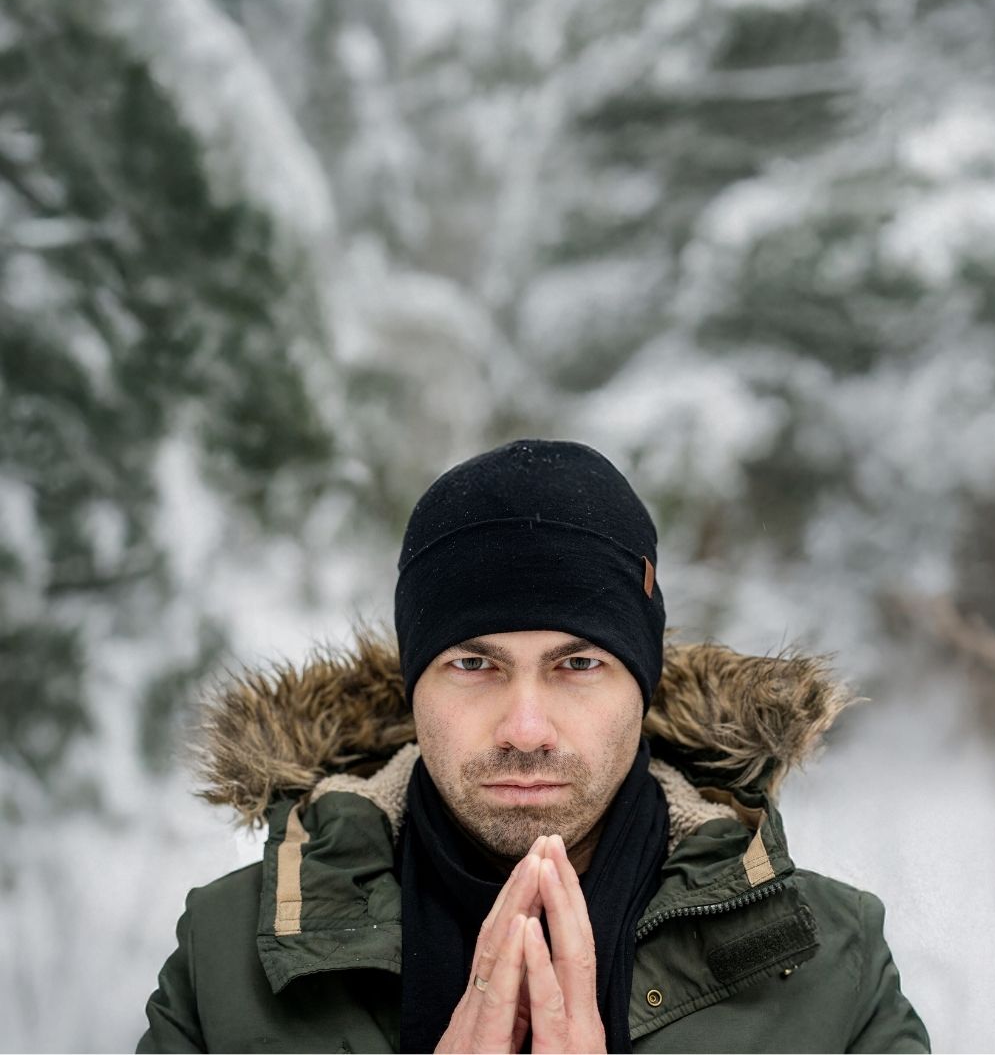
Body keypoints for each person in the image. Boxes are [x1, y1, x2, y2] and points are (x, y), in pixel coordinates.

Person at [138, 438, 930, 1053]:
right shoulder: (228, 954)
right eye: (474, 664)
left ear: (644, 685)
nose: (524, 728)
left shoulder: (829, 960)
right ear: (415, 686)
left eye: (578, 664)